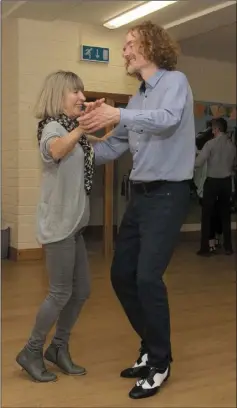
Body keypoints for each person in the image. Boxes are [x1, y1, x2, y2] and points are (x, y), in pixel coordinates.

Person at [79, 21, 196, 399]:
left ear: (150, 45)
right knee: (121, 275)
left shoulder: (174, 82)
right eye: (125, 45)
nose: (125, 51)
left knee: (148, 278)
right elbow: (114, 148)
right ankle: (151, 346)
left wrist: (118, 116)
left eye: (130, 44)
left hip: (168, 195)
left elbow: (168, 121)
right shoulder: (139, 97)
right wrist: (75, 148)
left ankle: (160, 363)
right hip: (141, 197)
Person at [16, 70, 104, 383]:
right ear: (59, 96)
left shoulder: (72, 129)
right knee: (59, 292)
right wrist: (82, 128)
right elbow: (54, 151)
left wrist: (107, 118)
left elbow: (102, 144)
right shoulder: (52, 127)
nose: (82, 97)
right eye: (75, 92)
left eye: (83, 92)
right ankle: (31, 350)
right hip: (58, 227)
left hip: (74, 226)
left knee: (81, 290)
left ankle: (58, 348)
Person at [195, 117, 236, 256]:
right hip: (226, 183)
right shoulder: (232, 146)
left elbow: (198, 163)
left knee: (207, 216)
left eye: (212, 128)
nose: (211, 131)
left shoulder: (210, 144)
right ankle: (228, 247)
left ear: (217, 129)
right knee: (225, 215)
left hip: (212, 182)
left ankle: (205, 248)